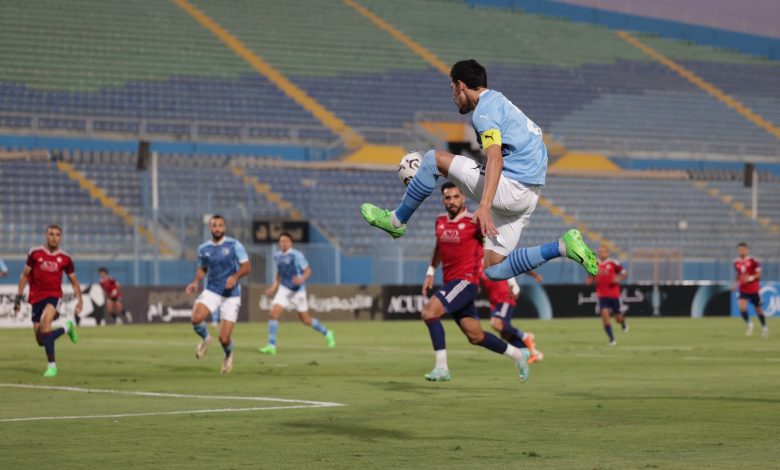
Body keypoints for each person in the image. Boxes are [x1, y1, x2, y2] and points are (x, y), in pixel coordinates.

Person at [361, 59, 597, 283]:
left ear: (461, 85)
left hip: (512, 187)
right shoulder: (499, 102)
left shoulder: (484, 112)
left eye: (452, 89)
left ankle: (396, 221)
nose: (453, 96)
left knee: (432, 160)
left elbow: (495, 157)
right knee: (492, 269)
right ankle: (562, 247)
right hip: (529, 194)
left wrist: (484, 206)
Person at [420, 182, 532, 383]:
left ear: (463, 198)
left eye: (456, 197)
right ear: (443, 200)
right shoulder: (439, 222)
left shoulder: (475, 222)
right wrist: (430, 272)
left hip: (466, 281)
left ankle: (442, 367)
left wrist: (511, 280)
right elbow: (439, 247)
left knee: (429, 312)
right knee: (476, 336)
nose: (452, 201)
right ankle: (518, 354)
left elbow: (497, 248)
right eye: (448, 197)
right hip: (450, 283)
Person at [185, 215, 250, 374]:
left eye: (220, 225)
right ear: (210, 228)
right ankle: (206, 339)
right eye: (214, 225)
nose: (217, 228)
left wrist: (235, 277)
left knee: (224, 338)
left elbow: (246, 267)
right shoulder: (203, 248)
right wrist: (195, 282)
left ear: (224, 228)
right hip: (212, 290)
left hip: (231, 294)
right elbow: (202, 269)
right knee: (196, 318)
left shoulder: (234, 245)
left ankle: (228, 355)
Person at [13, 225, 81, 377]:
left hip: (54, 295)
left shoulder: (65, 258)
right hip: (36, 297)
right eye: (51, 234)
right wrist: (18, 298)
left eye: (57, 235)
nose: (54, 237)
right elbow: (24, 275)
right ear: (46, 235)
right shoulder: (35, 253)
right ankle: (66, 328)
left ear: (60, 237)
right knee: (41, 340)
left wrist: (80, 300)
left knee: (45, 325)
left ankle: (52, 366)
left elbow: (74, 281)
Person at [260, 232, 335, 355]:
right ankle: (271, 345)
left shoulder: (297, 255)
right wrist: (273, 287)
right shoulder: (277, 256)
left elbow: (307, 270)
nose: (283, 243)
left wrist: (302, 279)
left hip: (297, 291)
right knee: (273, 314)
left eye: (286, 241)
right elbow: (279, 273)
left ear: (290, 243)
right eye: (281, 241)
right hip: (284, 289)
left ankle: (327, 333)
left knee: (305, 320)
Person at [481, 271, 543, 363]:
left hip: (505, 294)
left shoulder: (492, 258)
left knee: (496, 324)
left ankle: (526, 336)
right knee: (504, 333)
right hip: (494, 299)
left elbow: (513, 264)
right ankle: (532, 353)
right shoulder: (477, 262)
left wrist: (534, 275)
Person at [585, 244, 628, 346]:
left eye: (603, 251)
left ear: (608, 253)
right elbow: (591, 276)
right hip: (602, 294)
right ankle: (612, 339)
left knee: (618, 317)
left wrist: (618, 279)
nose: (601, 253)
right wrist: (589, 280)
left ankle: (622, 323)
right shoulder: (594, 263)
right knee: (605, 315)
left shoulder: (613, 263)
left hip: (614, 294)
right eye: (600, 251)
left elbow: (624, 273)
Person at [733, 242, 767, 337]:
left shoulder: (753, 261)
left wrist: (750, 278)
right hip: (743, 289)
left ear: (747, 250)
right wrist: (735, 283)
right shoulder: (736, 262)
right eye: (740, 250)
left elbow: (759, 274)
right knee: (742, 307)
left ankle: (764, 327)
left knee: (758, 310)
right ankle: (749, 323)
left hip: (754, 289)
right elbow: (738, 274)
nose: (741, 251)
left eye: (743, 249)